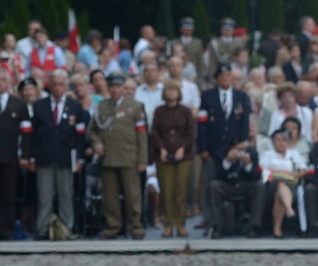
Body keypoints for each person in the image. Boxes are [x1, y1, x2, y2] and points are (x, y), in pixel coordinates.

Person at [88, 73, 149, 240]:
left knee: (132, 195)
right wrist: (96, 142)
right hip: (108, 158)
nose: (115, 89)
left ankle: (135, 227)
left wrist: (143, 159)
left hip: (129, 157)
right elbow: (91, 131)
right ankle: (113, 226)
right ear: (108, 88)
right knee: (110, 197)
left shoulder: (135, 107)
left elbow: (142, 135)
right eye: (112, 86)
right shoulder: (101, 107)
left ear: (123, 88)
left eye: (118, 86)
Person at [29, 69, 87, 239]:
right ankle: (42, 229)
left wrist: (80, 159)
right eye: (54, 84)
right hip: (44, 157)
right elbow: (33, 135)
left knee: (66, 195)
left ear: (66, 86)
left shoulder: (75, 106)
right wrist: (32, 157)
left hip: (66, 157)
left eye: (61, 84)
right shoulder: (39, 105)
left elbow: (79, 136)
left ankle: (65, 229)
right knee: (44, 196)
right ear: (50, 85)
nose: (57, 88)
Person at [196, 64, 251, 230]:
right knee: (209, 182)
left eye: (228, 75)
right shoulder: (208, 96)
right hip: (214, 147)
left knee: (234, 179)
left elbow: (245, 121)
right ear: (217, 78)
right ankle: (208, 217)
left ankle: (234, 216)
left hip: (235, 146)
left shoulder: (241, 96)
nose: (225, 78)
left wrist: (243, 141)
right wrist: (203, 148)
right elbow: (202, 123)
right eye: (221, 76)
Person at [150, 80, 196, 238]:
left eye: (174, 90)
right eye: (168, 89)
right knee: (166, 191)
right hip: (163, 155)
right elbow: (154, 132)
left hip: (183, 155)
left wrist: (183, 147)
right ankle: (168, 224)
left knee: (180, 192)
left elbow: (191, 133)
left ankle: (180, 224)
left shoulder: (185, 111)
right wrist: (161, 148)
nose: (171, 92)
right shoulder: (159, 111)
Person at [260, 127, 309, 238]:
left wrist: (297, 174)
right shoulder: (268, 154)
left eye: (283, 140)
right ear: (273, 142)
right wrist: (284, 172)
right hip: (271, 183)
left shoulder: (293, 154)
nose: (280, 143)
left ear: (288, 142)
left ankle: (277, 229)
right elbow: (264, 170)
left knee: (280, 195)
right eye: (277, 140)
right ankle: (289, 210)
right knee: (280, 184)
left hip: (291, 184)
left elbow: (304, 169)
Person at [0, 70, 31, 240]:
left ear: (8, 82)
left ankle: (7, 228)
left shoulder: (18, 104)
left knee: (9, 194)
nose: (0, 83)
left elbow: (26, 133)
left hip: (10, 156)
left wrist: (25, 156)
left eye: (3, 79)